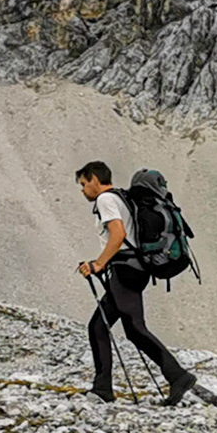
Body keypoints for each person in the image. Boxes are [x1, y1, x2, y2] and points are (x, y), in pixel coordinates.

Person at [76, 161, 197, 405]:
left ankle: (178, 376)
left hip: (125, 270)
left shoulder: (105, 199)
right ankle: (103, 388)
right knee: (103, 327)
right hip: (134, 268)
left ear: (95, 179)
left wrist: (98, 264)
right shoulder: (122, 197)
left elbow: (118, 234)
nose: (83, 190)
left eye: (83, 183)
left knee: (134, 328)